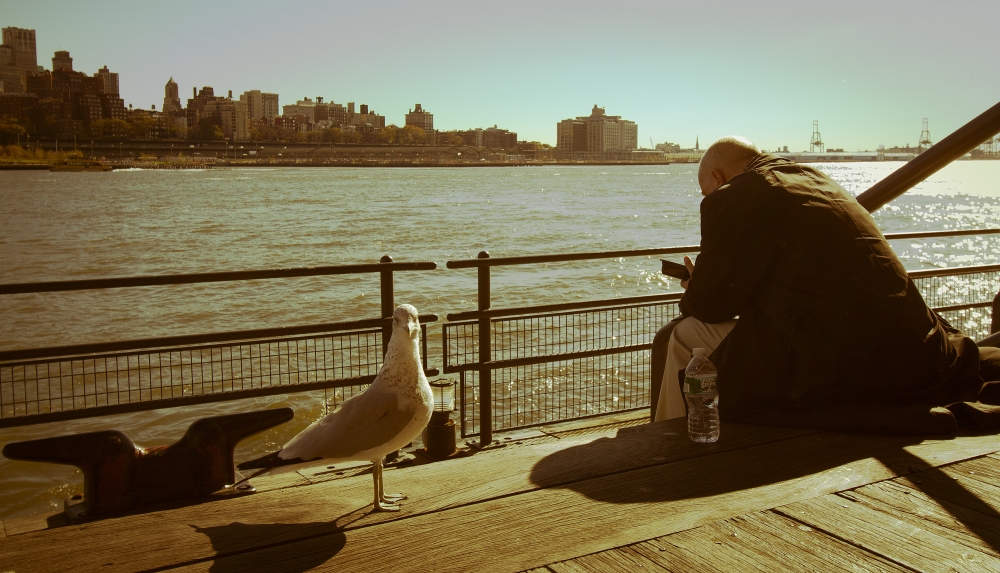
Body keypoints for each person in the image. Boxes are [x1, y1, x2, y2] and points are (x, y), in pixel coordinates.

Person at [655, 136, 1000, 434]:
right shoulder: (815, 179)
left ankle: (666, 439)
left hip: (849, 363)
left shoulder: (735, 194)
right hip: (918, 352)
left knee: (683, 335)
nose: (708, 197)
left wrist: (697, 284)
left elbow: (712, 304)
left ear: (717, 177)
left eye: (706, 191)